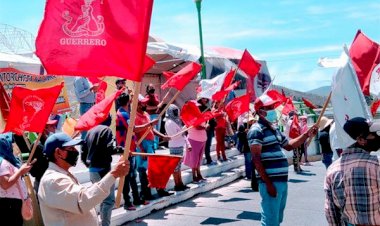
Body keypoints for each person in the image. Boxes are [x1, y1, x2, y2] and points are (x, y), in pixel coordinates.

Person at [248, 94, 317, 226]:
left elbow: (289, 145)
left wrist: (306, 134)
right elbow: (256, 159)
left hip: (281, 181)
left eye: (273, 106)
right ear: (260, 111)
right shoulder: (256, 130)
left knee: (277, 218)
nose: (273, 109)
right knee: (270, 220)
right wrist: (268, 183)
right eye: (269, 107)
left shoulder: (273, 129)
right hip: (271, 182)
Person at [38, 133, 130, 226]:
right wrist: (113, 174)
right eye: (71, 149)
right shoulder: (53, 180)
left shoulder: (62, 175)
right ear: (58, 152)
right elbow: (83, 200)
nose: (76, 152)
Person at [324, 117, 380, 226]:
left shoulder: (332, 170)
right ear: (361, 140)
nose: (377, 136)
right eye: (374, 134)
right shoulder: (377, 164)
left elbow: (330, 211)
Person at [81, 125, 122, 226]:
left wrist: (89, 165)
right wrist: (121, 150)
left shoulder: (89, 131)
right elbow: (109, 148)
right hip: (103, 170)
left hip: (93, 170)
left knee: (100, 199)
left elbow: (83, 151)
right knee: (108, 201)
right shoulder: (106, 130)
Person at [115, 93, 150, 210]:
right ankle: (128, 202)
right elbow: (133, 129)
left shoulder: (125, 113)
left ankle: (136, 199)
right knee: (127, 176)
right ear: (129, 102)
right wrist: (149, 124)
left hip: (131, 148)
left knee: (132, 175)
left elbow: (132, 133)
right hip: (126, 149)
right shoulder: (123, 114)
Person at [135, 95, 171, 199]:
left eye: (145, 103)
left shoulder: (146, 114)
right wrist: (141, 149)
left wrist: (162, 136)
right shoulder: (134, 116)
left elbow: (151, 128)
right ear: (137, 104)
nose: (145, 105)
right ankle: (146, 193)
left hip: (150, 144)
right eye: (143, 103)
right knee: (143, 170)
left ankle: (157, 190)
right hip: (142, 145)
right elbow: (134, 131)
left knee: (152, 168)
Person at [0, 134, 34, 226]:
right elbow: (5, 184)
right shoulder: (2, 163)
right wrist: (20, 171)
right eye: (10, 143)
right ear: (4, 144)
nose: (12, 145)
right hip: (10, 204)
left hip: (14, 203)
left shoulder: (8, 160)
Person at [164, 104, 191, 191]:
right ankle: (177, 184)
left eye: (176, 111)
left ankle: (180, 183)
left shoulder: (175, 120)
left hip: (179, 145)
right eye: (174, 111)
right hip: (174, 146)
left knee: (178, 167)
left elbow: (180, 134)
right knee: (175, 167)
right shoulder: (169, 122)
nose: (176, 112)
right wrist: (184, 128)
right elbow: (174, 136)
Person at [29, 119, 58, 193]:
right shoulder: (37, 146)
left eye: (55, 126)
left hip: (52, 181)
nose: (55, 128)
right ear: (45, 129)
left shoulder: (51, 143)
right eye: (52, 126)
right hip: (44, 184)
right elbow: (34, 169)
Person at [198, 98, 216, 165]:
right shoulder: (198, 108)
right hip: (202, 129)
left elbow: (211, 119)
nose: (205, 100)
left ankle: (208, 158)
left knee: (208, 145)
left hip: (209, 129)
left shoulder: (207, 108)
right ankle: (205, 159)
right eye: (204, 99)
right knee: (204, 145)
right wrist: (205, 125)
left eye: (206, 99)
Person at [145, 84, 161, 149]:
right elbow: (146, 107)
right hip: (151, 115)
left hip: (157, 115)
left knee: (158, 130)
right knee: (153, 130)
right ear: (148, 89)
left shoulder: (156, 95)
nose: (152, 88)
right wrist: (156, 107)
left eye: (153, 87)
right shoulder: (147, 97)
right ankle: (153, 145)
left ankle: (156, 145)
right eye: (150, 87)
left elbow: (158, 104)